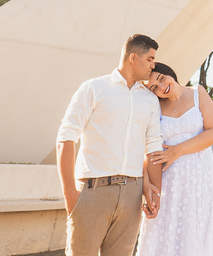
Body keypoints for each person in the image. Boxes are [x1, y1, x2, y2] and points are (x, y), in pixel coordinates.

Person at [56, 34, 166, 256]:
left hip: (132, 196)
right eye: (150, 59)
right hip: (92, 192)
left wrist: (154, 192)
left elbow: (153, 148)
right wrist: (70, 194)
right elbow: (66, 138)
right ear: (133, 57)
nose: (153, 66)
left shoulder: (150, 100)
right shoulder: (94, 88)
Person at [136, 62, 213, 256]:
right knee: (165, 240)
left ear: (169, 73)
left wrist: (176, 151)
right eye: (154, 88)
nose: (162, 87)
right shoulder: (155, 108)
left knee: (195, 240)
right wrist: (147, 186)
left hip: (199, 183)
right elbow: (148, 151)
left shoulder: (197, 93)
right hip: (169, 185)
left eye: (161, 79)